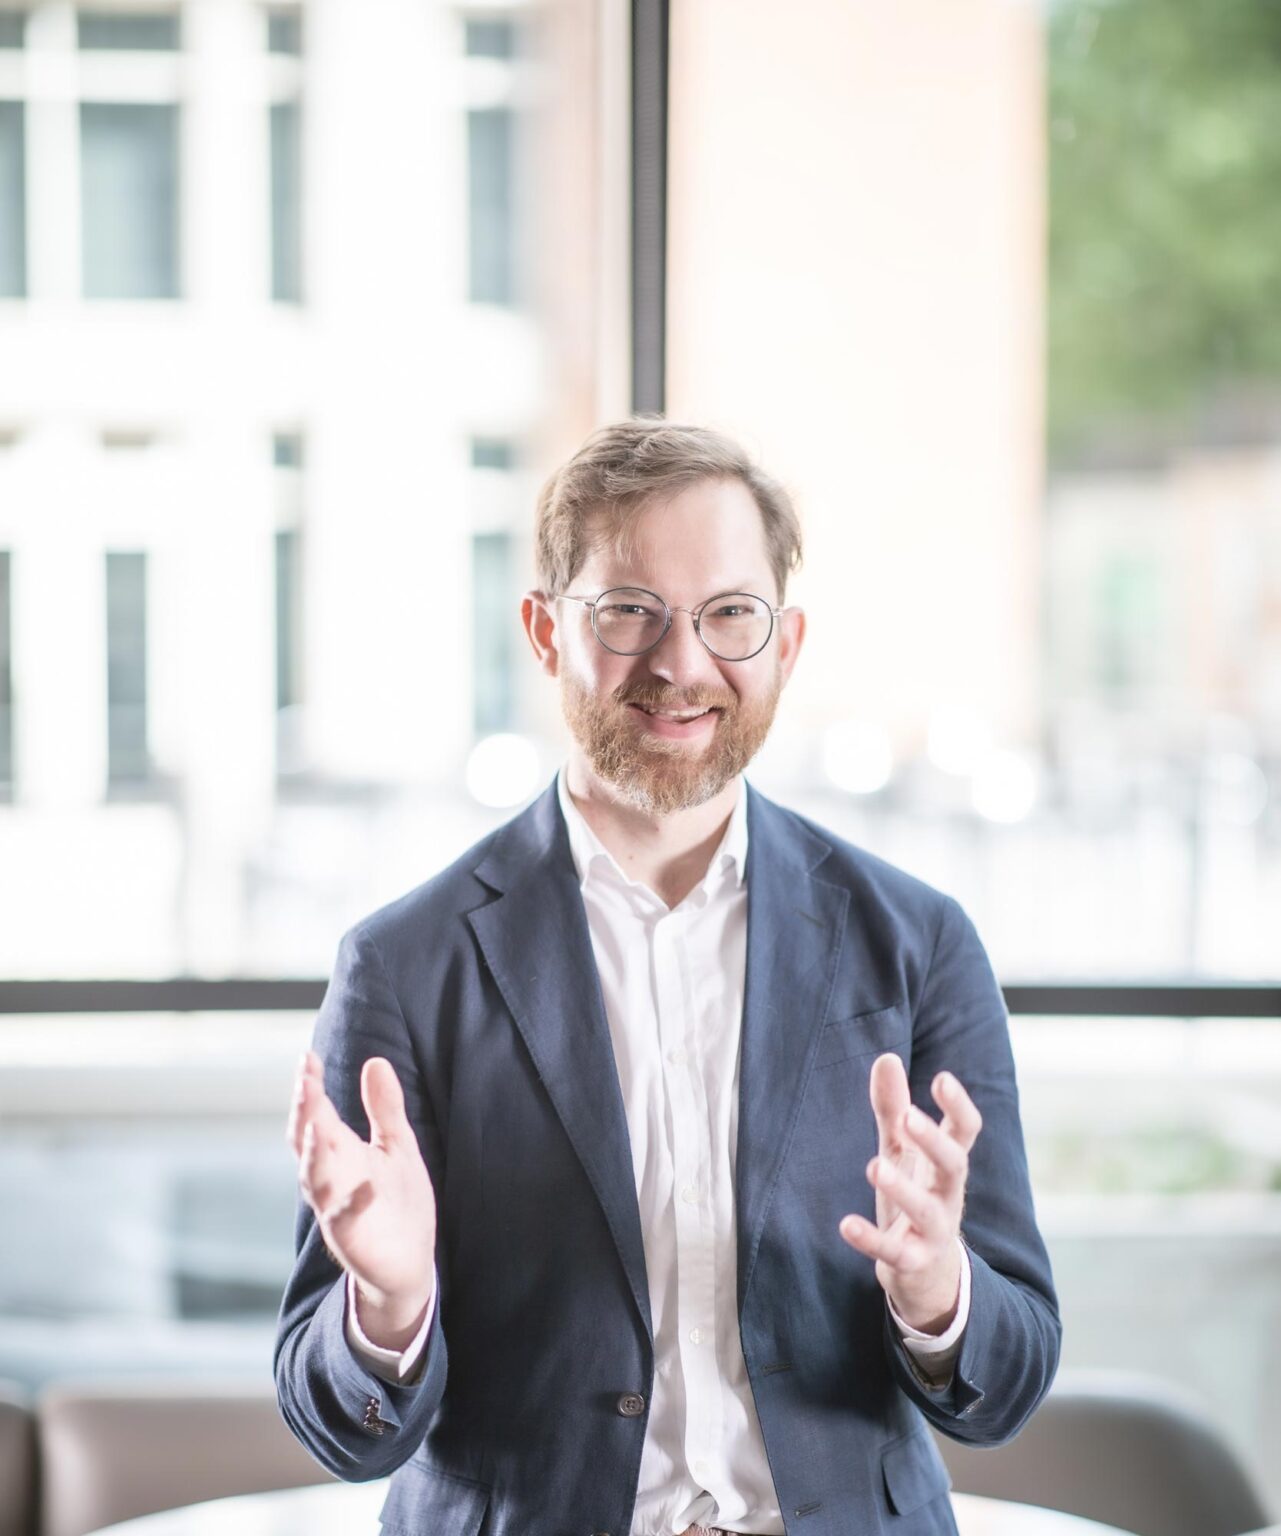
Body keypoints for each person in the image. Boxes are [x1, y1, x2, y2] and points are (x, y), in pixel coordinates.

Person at [274, 420, 1060, 1536]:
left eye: (729, 614)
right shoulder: (406, 966)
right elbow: (331, 1420)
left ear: (785, 641)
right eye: (630, 610)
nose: (683, 663)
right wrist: (388, 1307)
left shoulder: (917, 943)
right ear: (546, 633)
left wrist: (939, 1296)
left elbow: (1013, 1374)